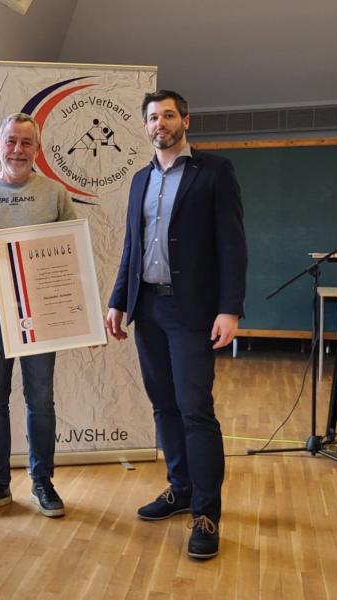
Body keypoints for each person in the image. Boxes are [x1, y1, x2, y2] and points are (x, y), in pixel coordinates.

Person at [105, 90, 247, 560]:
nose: (160, 123)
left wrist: (230, 309)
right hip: (147, 310)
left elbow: (232, 245)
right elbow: (132, 247)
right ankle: (180, 488)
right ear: (145, 126)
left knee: (194, 410)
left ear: (186, 121)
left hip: (193, 313)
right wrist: (118, 301)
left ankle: (206, 513)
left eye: (168, 115)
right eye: (152, 117)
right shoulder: (139, 180)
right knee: (164, 406)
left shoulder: (214, 172)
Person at [0, 112, 77, 518]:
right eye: (11, 141)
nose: (18, 150)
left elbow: (72, 247)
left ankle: (42, 481)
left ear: (37, 149)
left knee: (40, 399)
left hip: (42, 313)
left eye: (26, 143)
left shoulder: (55, 194)